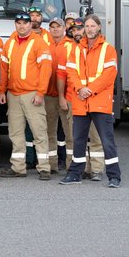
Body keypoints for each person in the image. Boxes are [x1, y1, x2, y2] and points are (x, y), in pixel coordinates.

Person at [60, 15, 122, 187]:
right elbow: (71, 72)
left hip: (100, 102)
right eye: (87, 26)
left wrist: (89, 89)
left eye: (92, 26)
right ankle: (75, 174)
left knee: (107, 141)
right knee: (78, 140)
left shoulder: (108, 49)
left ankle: (114, 176)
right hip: (81, 101)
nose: (89, 29)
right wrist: (80, 88)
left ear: (99, 27)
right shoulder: (76, 49)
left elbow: (109, 75)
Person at [0, 11, 54, 179]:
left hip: (32, 94)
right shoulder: (10, 43)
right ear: (15, 24)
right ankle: (18, 167)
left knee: (39, 132)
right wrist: (2, 90)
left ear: (30, 24)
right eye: (18, 23)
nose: (21, 26)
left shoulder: (39, 43)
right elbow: (3, 69)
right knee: (15, 133)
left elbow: (46, 70)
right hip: (13, 95)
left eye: (25, 23)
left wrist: (40, 92)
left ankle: (44, 168)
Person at [44, 16, 81, 174]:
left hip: (66, 96)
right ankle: (51, 165)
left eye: (58, 26)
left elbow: (66, 72)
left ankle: (71, 165)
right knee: (49, 132)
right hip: (47, 95)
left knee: (70, 133)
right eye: (52, 27)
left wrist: (64, 96)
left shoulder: (71, 45)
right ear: (49, 29)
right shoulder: (43, 44)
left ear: (64, 28)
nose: (55, 29)